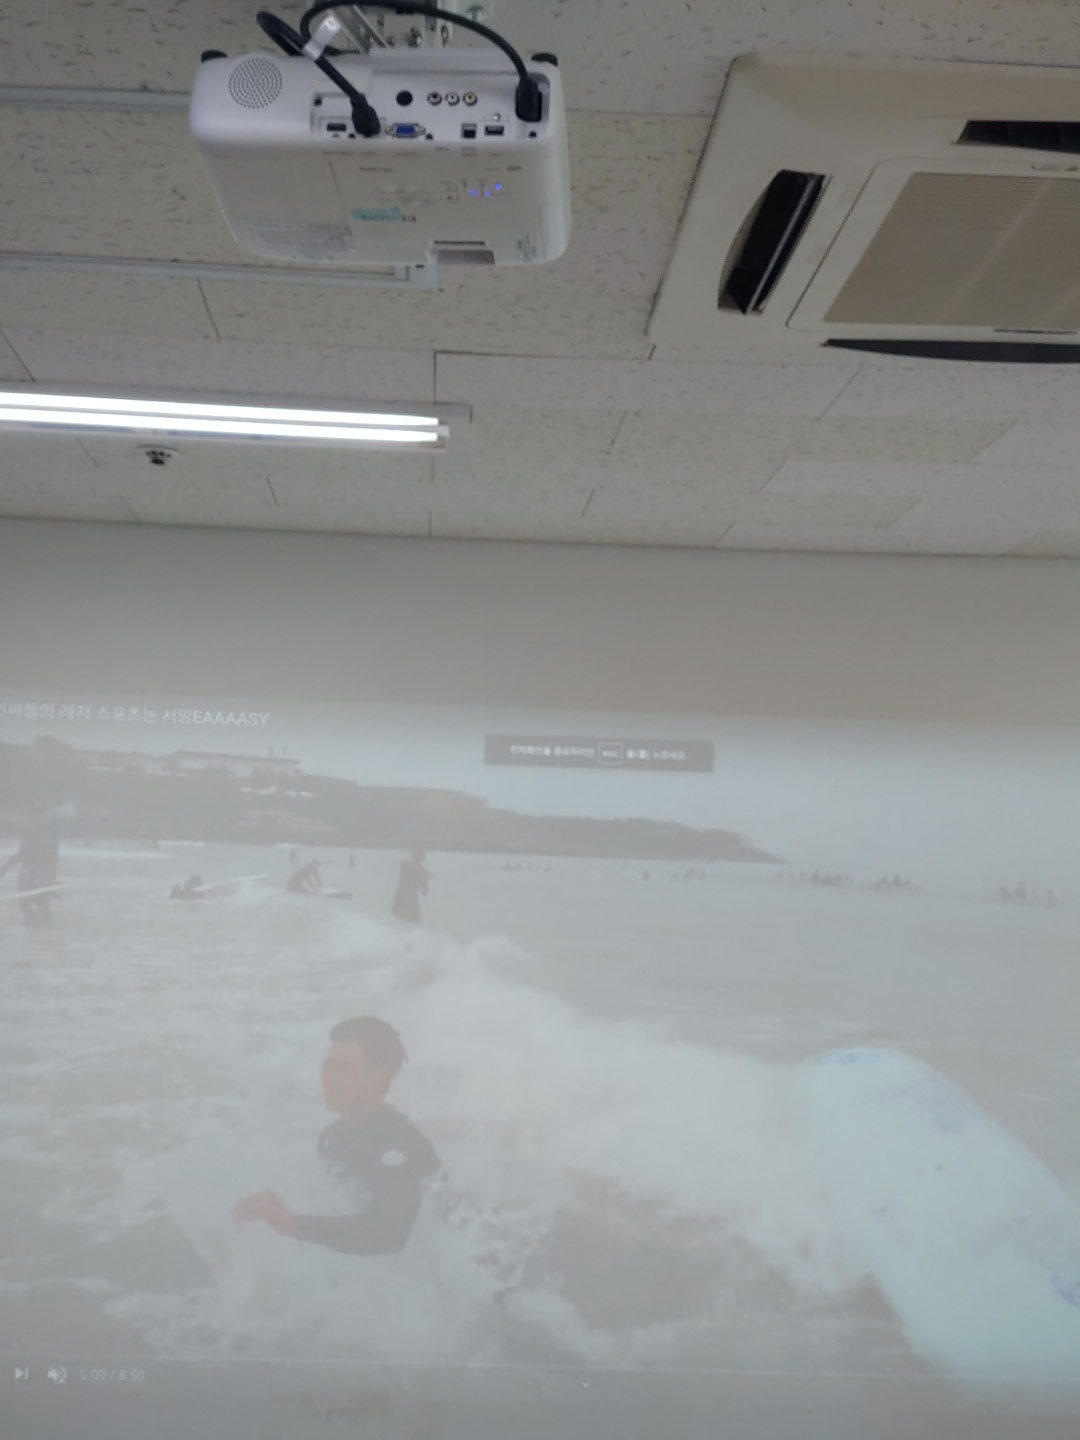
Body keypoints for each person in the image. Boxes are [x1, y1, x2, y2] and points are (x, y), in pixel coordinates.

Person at [233, 1017, 439, 1255]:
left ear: (380, 1077)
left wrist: (295, 1224)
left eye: (344, 1069)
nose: (330, 1079)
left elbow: (389, 1236)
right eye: (327, 1066)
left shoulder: (402, 1144)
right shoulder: (332, 1137)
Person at [0, 811, 60, 924]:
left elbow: (52, 857)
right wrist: (5, 867)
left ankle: (46, 926)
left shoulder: (47, 834)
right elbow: (22, 852)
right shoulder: (27, 833)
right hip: (26, 871)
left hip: (41, 872)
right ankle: (31, 924)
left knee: (42, 902)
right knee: (24, 902)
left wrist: (51, 877)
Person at [391, 850, 431, 924]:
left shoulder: (404, 865)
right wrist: (425, 876)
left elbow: (424, 891)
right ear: (423, 858)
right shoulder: (422, 872)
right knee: (411, 922)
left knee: (398, 921)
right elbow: (425, 891)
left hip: (400, 898)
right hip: (411, 901)